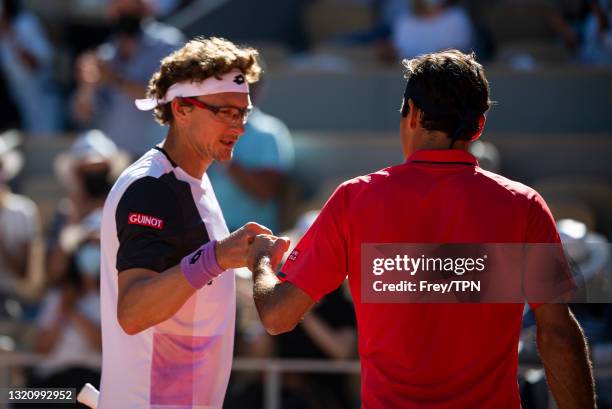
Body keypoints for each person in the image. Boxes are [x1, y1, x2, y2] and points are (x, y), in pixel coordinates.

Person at [248, 50, 596, 408]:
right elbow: (558, 335)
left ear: (412, 113)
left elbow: (277, 316)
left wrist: (261, 261)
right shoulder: (524, 205)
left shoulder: (355, 199)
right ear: (478, 126)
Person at [98, 37, 277, 408]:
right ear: (181, 110)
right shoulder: (150, 188)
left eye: (243, 112)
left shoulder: (193, 179)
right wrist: (217, 258)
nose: (239, 127)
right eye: (225, 112)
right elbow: (133, 312)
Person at [71, 0, 184, 158]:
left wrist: (115, 79)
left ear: (143, 7)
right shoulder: (107, 53)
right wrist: (86, 85)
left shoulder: (167, 43)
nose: (120, 11)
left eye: (127, 6)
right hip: (115, 161)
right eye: (116, 6)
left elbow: (163, 97)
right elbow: (82, 114)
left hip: (158, 160)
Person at [0, 0, 61, 134]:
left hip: (43, 102)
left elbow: (35, 65)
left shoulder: (25, 24)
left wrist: (9, 34)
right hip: (18, 104)